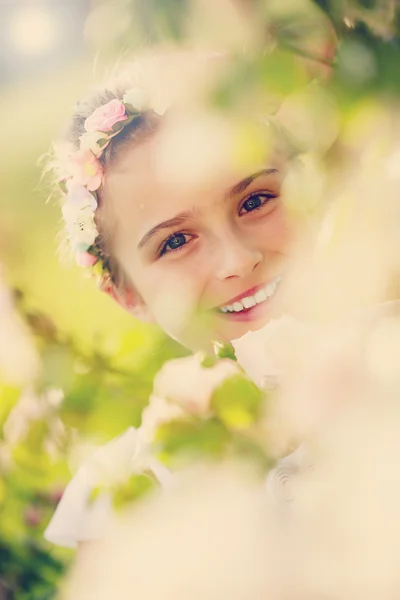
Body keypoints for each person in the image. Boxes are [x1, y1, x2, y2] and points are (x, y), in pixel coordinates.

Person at [43, 49, 319, 548]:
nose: (237, 260)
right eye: (175, 241)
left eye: (254, 201)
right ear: (127, 294)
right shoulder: (120, 495)